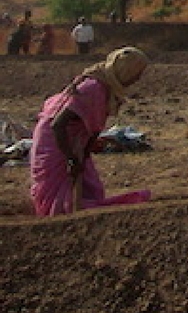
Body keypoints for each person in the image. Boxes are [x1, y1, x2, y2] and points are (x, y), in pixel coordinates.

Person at [29, 47, 153, 216]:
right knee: (60, 199)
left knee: (90, 188)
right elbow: (58, 124)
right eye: (136, 73)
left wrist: (83, 154)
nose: (138, 79)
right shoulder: (93, 88)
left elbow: (93, 127)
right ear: (126, 71)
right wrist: (71, 158)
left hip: (75, 142)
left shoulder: (107, 89)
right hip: (56, 140)